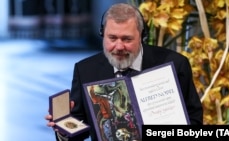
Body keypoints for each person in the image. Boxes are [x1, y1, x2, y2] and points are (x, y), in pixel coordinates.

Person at [45, 3, 203, 141]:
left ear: (141, 36)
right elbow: (79, 132)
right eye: (112, 38)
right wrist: (64, 128)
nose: (119, 47)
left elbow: (194, 122)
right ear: (102, 35)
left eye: (127, 39)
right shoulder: (85, 70)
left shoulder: (176, 64)